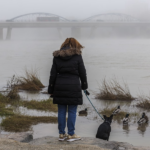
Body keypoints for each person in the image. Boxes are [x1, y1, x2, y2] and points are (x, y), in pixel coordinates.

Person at [48, 38, 88, 142]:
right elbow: (82, 72)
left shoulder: (57, 56)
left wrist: (51, 89)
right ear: (75, 45)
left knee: (61, 111)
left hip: (59, 86)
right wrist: (84, 86)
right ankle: (71, 134)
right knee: (72, 110)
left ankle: (61, 134)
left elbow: (53, 74)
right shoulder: (77, 56)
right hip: (73, 86)